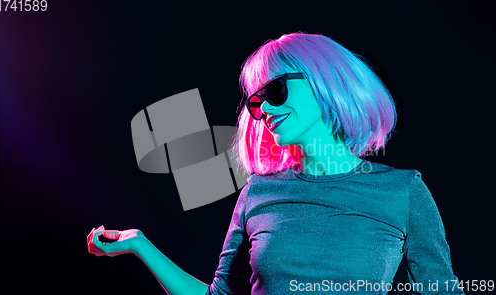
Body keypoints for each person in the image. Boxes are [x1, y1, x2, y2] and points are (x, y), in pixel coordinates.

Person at [87, 32, 464, 294]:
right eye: (255, 101)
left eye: (275, 90)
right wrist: (141, 246)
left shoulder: (402, 191)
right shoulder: (258, 193)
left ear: (324, 82)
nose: (264, 107)